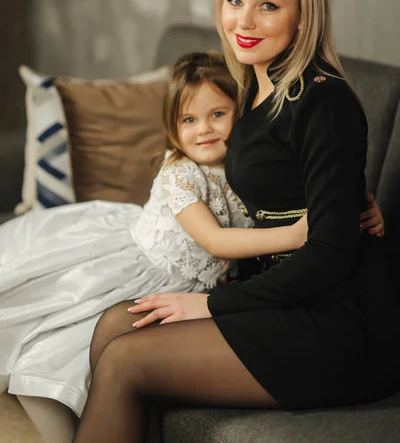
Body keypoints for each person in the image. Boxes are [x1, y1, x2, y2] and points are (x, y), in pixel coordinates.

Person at [72, 0, 399, 443]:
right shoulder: (249, 86)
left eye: (267, 5)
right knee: (118, 323)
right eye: (233, 1)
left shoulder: (324, 101)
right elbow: (277, 182)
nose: (243, 22)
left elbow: (330, 253)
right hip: (279, 294)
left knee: (126, 361)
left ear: (303, 13)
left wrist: (210, 304)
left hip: (335, 320)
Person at [1, 49, 366, 417]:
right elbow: (215, 240)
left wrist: (359, 201)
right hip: (148, 266)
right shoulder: (179, 173)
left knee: (117, 351)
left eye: (218, 114)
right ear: (172, 126)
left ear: (241, 114)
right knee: (74, 328)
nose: (203, 129)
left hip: (210, 287)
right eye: (189, 119)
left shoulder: (249, 163)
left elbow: (309, 182)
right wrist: (296, 235)